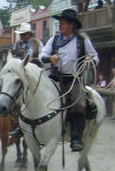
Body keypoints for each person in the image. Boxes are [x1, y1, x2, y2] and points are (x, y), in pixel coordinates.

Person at [39, 9, 99, 151]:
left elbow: (95, 57)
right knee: (35, 93)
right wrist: (50, 58)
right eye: (59, 23)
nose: (60, 25)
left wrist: (89, 61)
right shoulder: (54, 40)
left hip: (74, 79)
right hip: (55, 77)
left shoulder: (83, 40)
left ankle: (76, 138)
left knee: (79, 105)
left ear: (71, 25)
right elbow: (43, 55)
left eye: (63, 23)